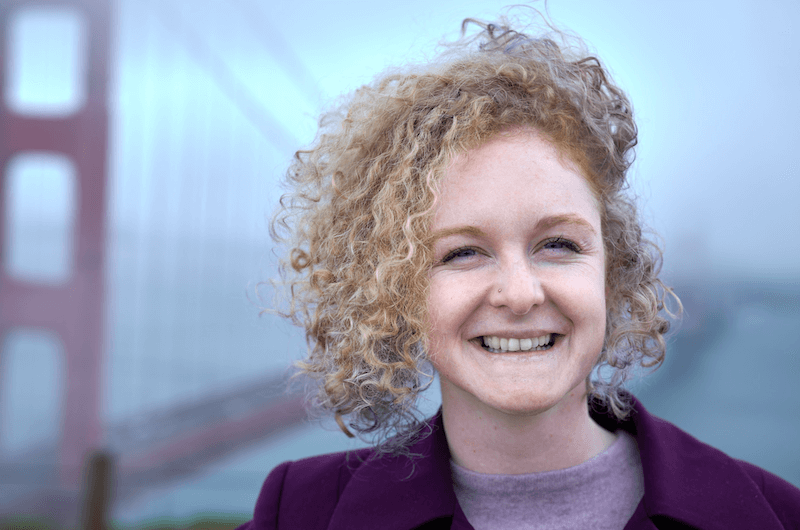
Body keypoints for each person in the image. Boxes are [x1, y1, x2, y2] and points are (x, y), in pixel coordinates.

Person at [239, 9, 800, 530]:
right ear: (395, 294)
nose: (519, 292)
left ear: (612, 272)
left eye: (557, 244)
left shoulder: (774, 515)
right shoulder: (299, 513)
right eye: (462, 253)